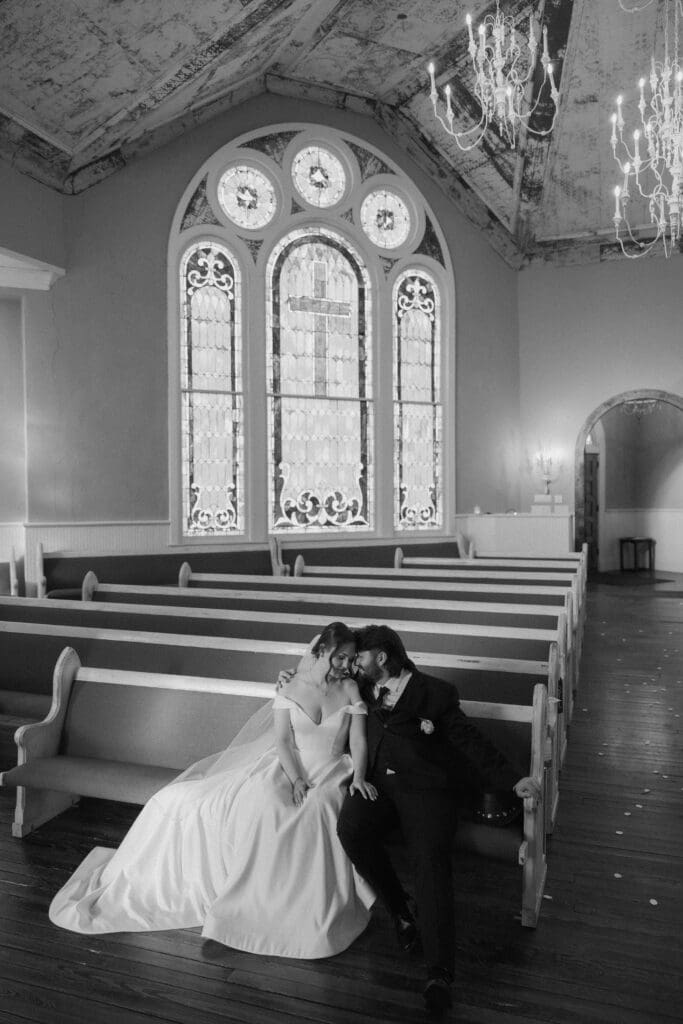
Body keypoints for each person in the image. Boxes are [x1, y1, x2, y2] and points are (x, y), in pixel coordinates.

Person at [49, 622, 376, 959]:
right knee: (265, 804)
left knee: (318, 806)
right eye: (340, 657)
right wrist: (295, 779)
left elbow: (359, 740)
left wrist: (359, 776)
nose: (345, 665)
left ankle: (309, 909)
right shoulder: (290, 687)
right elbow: (282, 741)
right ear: (320, 651)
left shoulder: (350, 687)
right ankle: (257, 899)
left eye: (350, 659)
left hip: (334, 767)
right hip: (293, 764)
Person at [336, 624, 542, 1018]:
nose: (355, 665)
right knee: (351, 827)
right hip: (379, 788)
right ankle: (400, 909)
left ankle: (439, 973)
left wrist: (511, 779)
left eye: (360, 657)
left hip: (427, 794)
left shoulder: (436, 693)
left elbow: (470, 740)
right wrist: (291, 679)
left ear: (381, 657)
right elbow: (325, 673)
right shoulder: (361, 687)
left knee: (429, 861)